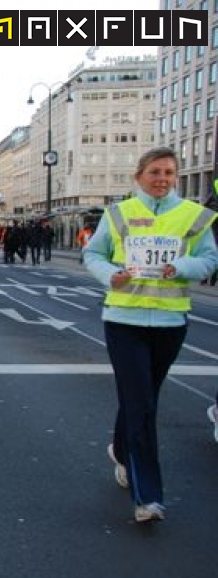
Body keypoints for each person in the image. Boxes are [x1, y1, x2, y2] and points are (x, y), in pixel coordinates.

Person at [83, 147, 218, 523]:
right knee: (141, 405)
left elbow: (210, 259)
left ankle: (123, 449)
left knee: (142, 398)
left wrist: (182, 267)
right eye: (155, 171)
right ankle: (148, 498)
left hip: (171, 323)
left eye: (169, 172)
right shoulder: (118, 214)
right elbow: (93, 255)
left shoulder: (195, 216)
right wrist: (111, 275)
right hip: (124, 319)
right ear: (139, 176)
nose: (162, 179)